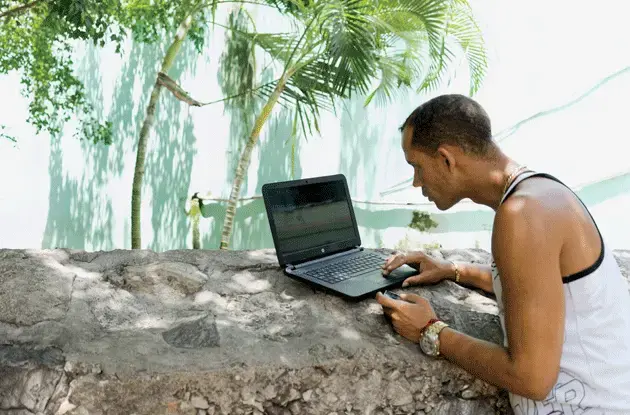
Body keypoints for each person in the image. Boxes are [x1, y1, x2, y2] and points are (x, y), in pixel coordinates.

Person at [375, 94, 630, 414]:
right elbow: (536, 286)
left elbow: (532, 378)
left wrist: (431, 331)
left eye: (416, 166)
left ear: (446, 159)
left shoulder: (523, 216)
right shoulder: (538, 192)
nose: (416, 182)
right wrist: (453, 270)